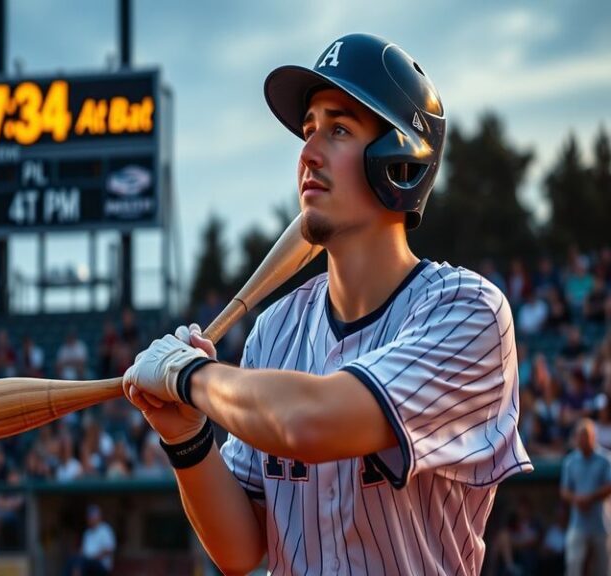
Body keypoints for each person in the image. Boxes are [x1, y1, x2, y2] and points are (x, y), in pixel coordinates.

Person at [121, 33, 532, 574]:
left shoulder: (470, 312)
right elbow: (240, 549)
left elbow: (310, 423)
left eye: (338, 129)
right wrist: (186, 435)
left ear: (400, 162)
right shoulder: (274, 329)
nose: (308, 152)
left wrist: (190, 375)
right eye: (308, 129)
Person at [560, 418, 611, 576]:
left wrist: (590, 497)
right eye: (580, 437)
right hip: (578, 524)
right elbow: (564, 491)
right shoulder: (570, 461)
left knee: (603, 570)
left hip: (601, 524)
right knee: (573, 567)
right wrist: (577, 499)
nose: (582, 440)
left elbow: (610, 486)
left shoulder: (605, 459)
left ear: (593, 437)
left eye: (586, 437)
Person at [63, 505, 116, 576]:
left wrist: (95, 557)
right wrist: (78, 557)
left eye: (92, 517)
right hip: (86, 562)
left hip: (100, 564)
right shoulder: (87, 533)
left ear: (98, 517)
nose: (90, 519)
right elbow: (83, 550)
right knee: (71, 560)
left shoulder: (105, 529)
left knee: (83, 562)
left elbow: (109, 549)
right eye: (89, 517)